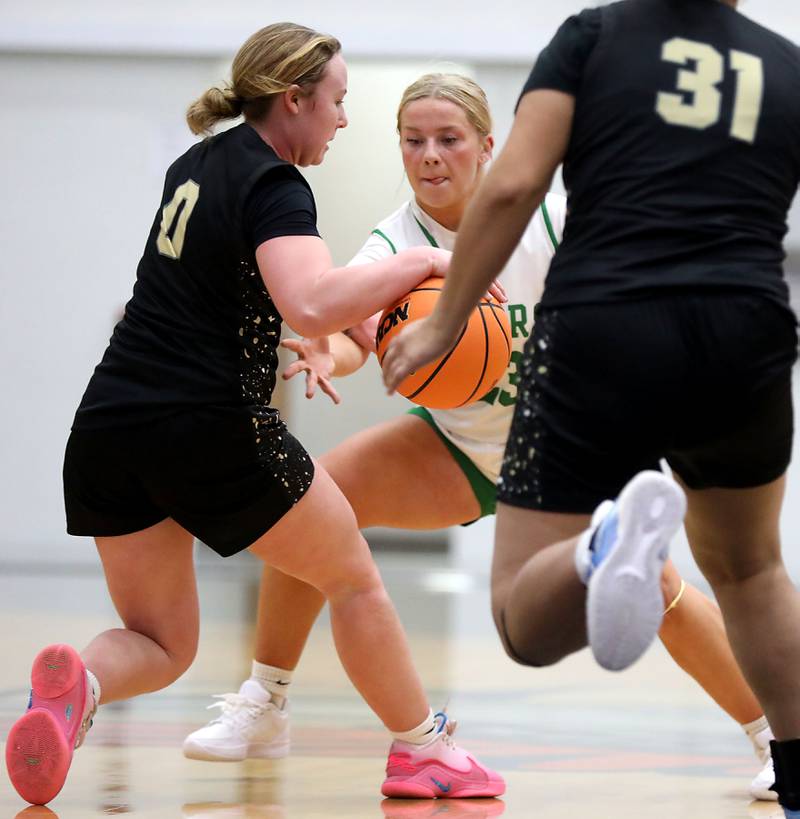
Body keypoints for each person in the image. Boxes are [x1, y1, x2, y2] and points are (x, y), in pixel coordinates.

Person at [183, 72, 778, 800]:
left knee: (655, 586)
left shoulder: (551, 222)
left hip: (564, 442)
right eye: (413, 141)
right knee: (309, 502)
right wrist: (324, 351)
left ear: (487, 147)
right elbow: (351, 335)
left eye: (448, 139)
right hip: (459, 446)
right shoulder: (392, 242)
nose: (429, 155)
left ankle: (777, 736)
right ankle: (264, 701)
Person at [3, 24, 505, 807]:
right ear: (293, 99)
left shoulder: (194, 162)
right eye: (337, 102)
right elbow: (307, 300)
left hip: (107, 428)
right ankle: (424, 750)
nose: (342, 120)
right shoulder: (275, 182)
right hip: (206, 427)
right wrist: (433, 260)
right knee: (354, 579)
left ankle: (79, 689)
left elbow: (299, 309)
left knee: (163, 642)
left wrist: (355, 332)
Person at [382, 3, 800, 815]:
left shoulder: (593, 38)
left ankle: (603, 545)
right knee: (753, 570)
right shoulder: (786, 65)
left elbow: (512, 185)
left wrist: (443, 321)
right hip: (744, 329)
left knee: (521, 619)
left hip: (607, 325)